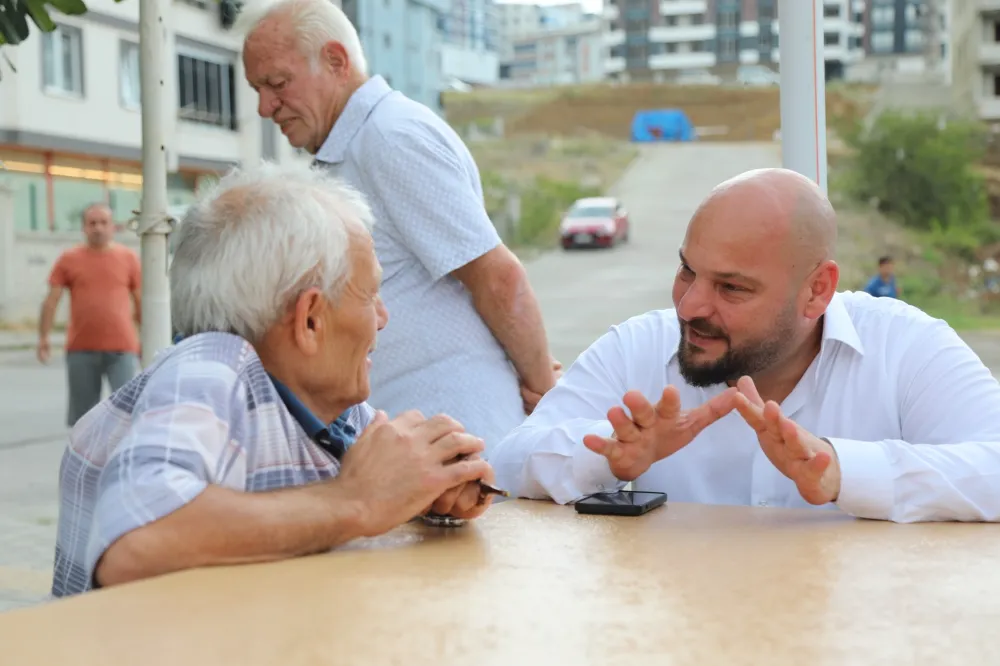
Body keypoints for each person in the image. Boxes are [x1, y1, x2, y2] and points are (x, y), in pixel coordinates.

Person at [51, 162, 497, 597]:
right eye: (370, 294)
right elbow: (135, 542)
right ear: (309, 321)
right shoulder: (210, 365)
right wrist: (356, 500)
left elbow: (369, 498)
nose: (382, 318)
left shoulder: (329, 406)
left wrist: (422, 491)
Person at [489, 168, 1000, 524]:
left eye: (731, 288)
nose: (689, 306)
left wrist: (841, 471)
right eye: (687, 270)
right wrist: (608, 456)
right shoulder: (637, 348)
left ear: (817, 290)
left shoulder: (904, 346)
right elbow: (509, 463)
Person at [239, 0, 559, 454]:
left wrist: (545, 391)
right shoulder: (359, 144)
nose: (265, 106)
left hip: (455, 438)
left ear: (336, 61)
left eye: (277, 83)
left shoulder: (390, 137)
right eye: (257, 89)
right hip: (426, 443)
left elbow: (498, 277)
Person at [37, 203, 141, 426]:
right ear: (84, 227)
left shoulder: (129, 258)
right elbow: (51, 301)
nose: (98, 228)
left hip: (123, 349)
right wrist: (44, 338)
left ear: (113, 227)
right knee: (83, 421)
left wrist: (144, 340)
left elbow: (140, 302)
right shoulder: (68, 259)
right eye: (92, 223)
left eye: (104, 223)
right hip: (81, 349)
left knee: (127, 416)